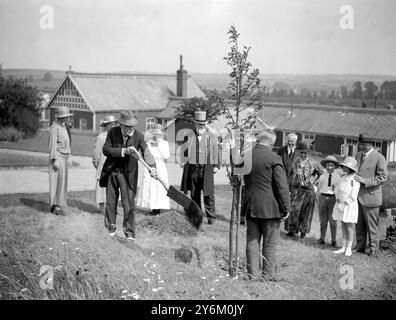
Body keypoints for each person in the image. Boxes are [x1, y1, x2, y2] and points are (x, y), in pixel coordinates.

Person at [99, 110, 157, 240]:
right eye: (128, 126)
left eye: (133, 126)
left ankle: (129, 234)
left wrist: (152, 168)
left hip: (128, 175)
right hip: (112, 172)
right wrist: (123, 151)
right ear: (121, 125)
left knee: (128, 204)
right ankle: (110, 230)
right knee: (110, 203)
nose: (131, 128)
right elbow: (106, 150)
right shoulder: (112, 132)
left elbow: (146, 153)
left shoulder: (138, 136)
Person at [242, 128, 290, 280]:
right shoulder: (274, 158)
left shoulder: (246, 156)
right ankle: (268, 276)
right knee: (269, 243)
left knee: (252, 241)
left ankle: (252, 275)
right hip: (270, 208)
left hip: (250, 205)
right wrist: (286, 207)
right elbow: (282, 186)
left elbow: (240, 181)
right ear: (271, 142)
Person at [180, 111, 220, 225]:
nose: (201, 127)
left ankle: (211, 218)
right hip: (193, 168)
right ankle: (197, 216)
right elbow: (184, 150)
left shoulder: (211, 136)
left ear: (205, 124)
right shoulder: (189, 135)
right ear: (195, 124)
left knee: (209, 194)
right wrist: (183, 161)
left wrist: (216, 165)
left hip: (206, 168)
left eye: (203, 125)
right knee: (194, 193)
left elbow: (216, 151)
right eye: (199, 124)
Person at [354, 133, 388, 256]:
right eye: (360, 144)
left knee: (372, 226)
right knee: (359, 224)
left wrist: (365, 181)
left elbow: (383, 177)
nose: (362, 147)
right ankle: (360, 247)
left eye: (364, 144)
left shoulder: (379, 157)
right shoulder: (358, 155)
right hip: (357, 196)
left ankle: (374, 250)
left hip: (371, 197)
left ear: (371, 144)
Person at [286, 142, 323, 239]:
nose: (303, 155)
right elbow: (290, 174)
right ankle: (291, 230)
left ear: (308, 153)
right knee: (294, 210)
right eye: (301, 152)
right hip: (296, 190)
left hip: (308, 191)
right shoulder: (295, 162)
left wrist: (315, 183)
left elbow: (322, 174)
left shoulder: (313, 163)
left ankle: (303, 232)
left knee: (306, 212)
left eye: (305, 153)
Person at [136, 124, 170, 215]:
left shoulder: (164, 143)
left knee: (159, 187)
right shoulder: (148, 143)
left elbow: (166, 155)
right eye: (155, 134)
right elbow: (144, 155)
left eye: (159, 134)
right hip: (150, 165)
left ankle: (158, 207)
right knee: (150, 186)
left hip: (160, 166)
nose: (157, 136)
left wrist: (158, 145)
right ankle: (152, 207)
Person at [332, 157, 360, 256]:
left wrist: (345, 204)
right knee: (343, 225)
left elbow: (353, 195)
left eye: (346, 166)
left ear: (351, 168)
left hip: (349, 206)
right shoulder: (342, 177)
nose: (343, 168)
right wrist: (339, 201)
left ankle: (349, 248)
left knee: (349, 226)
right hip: (340, 204)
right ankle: (343, 247)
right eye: (343, 166)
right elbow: (336, 190)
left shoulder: (355, 179)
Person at [48, 106, 73, 215]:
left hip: (65, 157)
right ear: (60, 117)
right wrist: (54, 159)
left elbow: (67, 142)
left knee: (63, 183)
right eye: (66, 116)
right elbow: (52, 145)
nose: (67, 118)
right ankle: (55, 206)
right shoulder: (55, 128)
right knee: (57, 183)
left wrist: (70, 155)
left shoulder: (64, 126)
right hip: (58, 157)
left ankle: (60, 204)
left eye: (67, 116)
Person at [92, 115, 118, 213]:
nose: (112, 126)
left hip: (113, 165)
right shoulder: (101, 137)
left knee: (113, 186)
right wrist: (96, 163)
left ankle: (112, 207)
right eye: (110, 124)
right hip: (103, 164)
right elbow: (96, 152)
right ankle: (102, 208)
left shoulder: (116, 136)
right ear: (106, 125)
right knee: (101, 186)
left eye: (114, 124)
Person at [316, 155, 341, 246]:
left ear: (335, 167)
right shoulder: (322, 176)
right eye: (328, 165)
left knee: (333, 221)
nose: (330, 167)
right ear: (325, 166)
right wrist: (321, 198)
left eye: (332, 165)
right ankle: (322, 238)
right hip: (323, 197)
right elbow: (319, 188)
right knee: (323, 220)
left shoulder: (338, 178)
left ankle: (334, 240)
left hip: (333, 199)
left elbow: (339, 190)